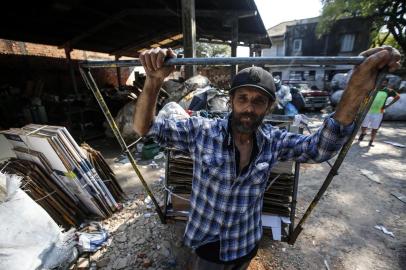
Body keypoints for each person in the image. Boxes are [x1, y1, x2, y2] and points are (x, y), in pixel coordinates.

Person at [133, 47, 400, 270]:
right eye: (243, 99)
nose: (249, 107)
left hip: (245, 244)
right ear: (231, 102)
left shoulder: (274, 141)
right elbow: (145, 128)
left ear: (269, 107)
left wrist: (356, 86)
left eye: (259, 101)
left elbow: (320, 148)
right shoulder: (202, 131)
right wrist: (154, 80)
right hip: (206, 246)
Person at [358, 78, 400, 146]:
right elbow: (366, 97)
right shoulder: (372, 89)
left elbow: (397, 97)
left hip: (379, 112)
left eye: (385, 82)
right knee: (363, 125)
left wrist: (388, 105)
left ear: (386, 83)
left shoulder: (388, 91)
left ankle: (371, 141)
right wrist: (364, 105)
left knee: (375, 128)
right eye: (382, 82)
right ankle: (363, 133)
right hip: (368, 111)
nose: (383, 83)